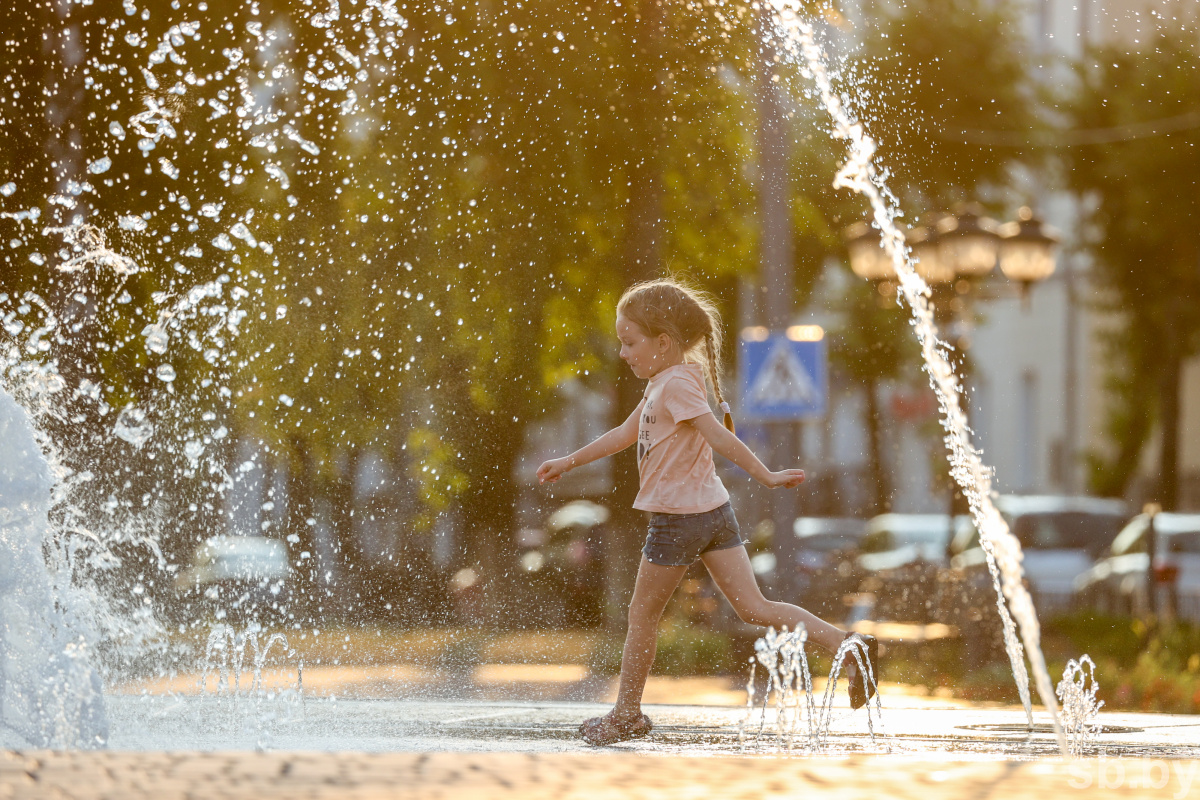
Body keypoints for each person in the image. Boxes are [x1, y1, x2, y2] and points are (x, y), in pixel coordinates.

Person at [536, 278, 878, 746]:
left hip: (678, 519)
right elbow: (622, 434)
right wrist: (568, 461)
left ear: (663, 342)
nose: (623, 353)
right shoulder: (666, 383)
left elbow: (717, 436)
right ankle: (849, 646)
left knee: (642, 615)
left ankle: (626, 714)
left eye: (630, 342)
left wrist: (767, 476)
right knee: (755, 607)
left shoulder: (676, 384)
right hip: (713, 512)